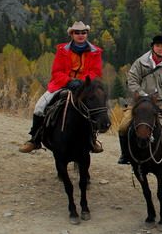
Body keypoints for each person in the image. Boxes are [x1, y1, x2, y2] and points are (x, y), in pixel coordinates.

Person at [19, 21, 104, 153]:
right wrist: (69, 81)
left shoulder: (95, 52)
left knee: (95, 107)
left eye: (83, 32)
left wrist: (82, 82)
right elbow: (56, 72)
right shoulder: (62, 50)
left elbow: (96, 72)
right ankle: (34, 139)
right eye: (77, 32)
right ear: (72, 34)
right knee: (40, 107)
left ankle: (92, 140)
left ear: (87, 34)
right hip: (62, 84)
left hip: (85, 87)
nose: (80, 35)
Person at [117, 34, 162, 164]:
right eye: (157, 46)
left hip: (161, 103)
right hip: (141, 102)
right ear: (152, 47)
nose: (160, 49)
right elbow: (132, 81)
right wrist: (142, 95)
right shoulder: (140, 63)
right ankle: (125, 154)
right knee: (123, 125)